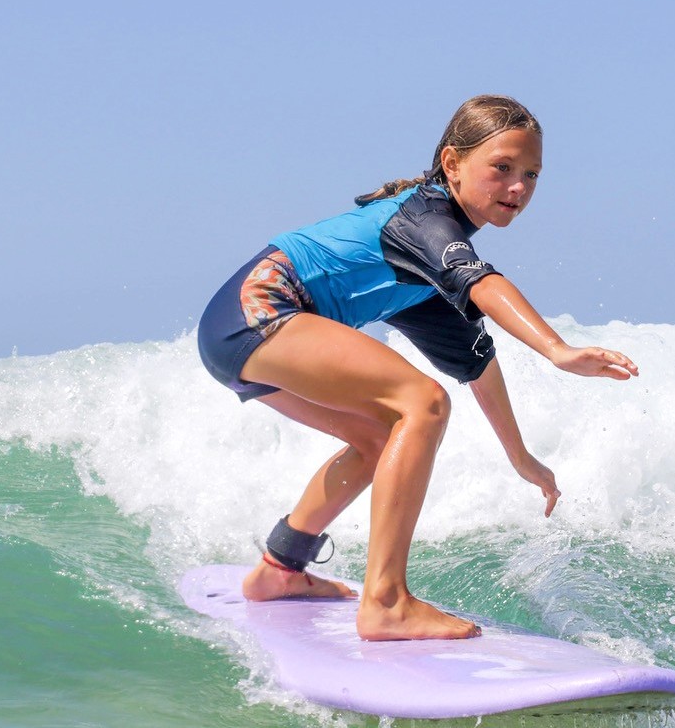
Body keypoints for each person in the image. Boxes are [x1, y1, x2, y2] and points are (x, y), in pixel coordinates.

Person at [198, 95, 638, 642]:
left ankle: (278, 570)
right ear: (453, 163)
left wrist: (520, 457)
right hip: (259, 311)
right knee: (422, 402)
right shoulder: (424, 220)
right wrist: (557, 349)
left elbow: (478, 363)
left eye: (531, 175)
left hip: (235, 336)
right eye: (501, 168)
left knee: (381, 438)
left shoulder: (422, 272)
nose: (518, 187)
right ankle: (385, 602)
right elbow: (482, 280)